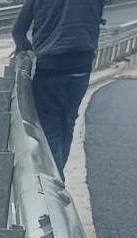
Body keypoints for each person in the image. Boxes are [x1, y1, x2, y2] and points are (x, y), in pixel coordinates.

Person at [12, 0, 105, 174]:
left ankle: (55, 178)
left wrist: (26, 49)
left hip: (50, 65)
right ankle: (58, 174)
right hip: (81, 67)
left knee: (49, 128)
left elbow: (18, 31)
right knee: (68, 123)